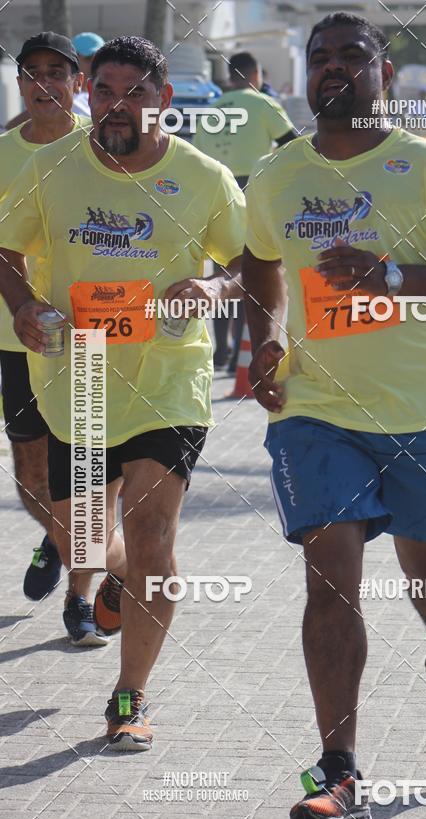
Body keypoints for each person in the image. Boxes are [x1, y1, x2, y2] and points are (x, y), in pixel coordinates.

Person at [242, 12, 426, 819]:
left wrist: (389, 275)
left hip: (423, 410)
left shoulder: (425, 166)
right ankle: (339, 770)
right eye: (320, 56)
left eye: (351, 56)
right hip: (317, 413)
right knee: (329, 579)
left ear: (383, 74)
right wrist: (265, 339)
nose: (333, 68)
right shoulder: (277, 173)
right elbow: (259, 260)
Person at [0, 36, 246, 749]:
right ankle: (113, 578)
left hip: (168, 381)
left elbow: (253, 264)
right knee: (84, 539)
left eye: (134, 93)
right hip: (77, 379)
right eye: (104, 91)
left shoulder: (202, 177)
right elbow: (6, 248)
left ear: (163, 99)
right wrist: (22, 305)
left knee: (153, 538)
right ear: (89, 95)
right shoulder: (51, 168)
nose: (116, 106)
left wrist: (214, 288)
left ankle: (129, 696)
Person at [0, 32, 101, 628]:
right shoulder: (2, 153)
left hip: (87, 336)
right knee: (33, 476)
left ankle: (80, 598)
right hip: (15, 339)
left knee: (85, 472)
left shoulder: (102, 148)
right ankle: (59, 538)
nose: (44, 83)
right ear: (20, 85)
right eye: (32, 73)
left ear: (76, 83)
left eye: (56, 72)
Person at [194, 51, 295, 372]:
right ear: (255, 76)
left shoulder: (211, 110)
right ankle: (241, 351)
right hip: (251, 190)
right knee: (248, 269)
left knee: (221, 271)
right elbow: (294, 146)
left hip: (214, 193)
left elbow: (196, 157)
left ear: (230, 77)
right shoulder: (263, 104)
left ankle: (221, 351)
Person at [71, 32, 105, 117]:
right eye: (89, 58)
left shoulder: (112, 95)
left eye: (100, 58)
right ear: (74, 59)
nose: (96, 62)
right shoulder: (65, 100)